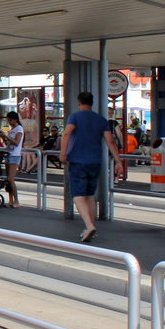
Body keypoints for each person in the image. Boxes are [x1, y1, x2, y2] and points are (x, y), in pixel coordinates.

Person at [60, 91, 121, 243]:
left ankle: (88, 226)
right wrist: (118, 161)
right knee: (90, 195)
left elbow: (66, 134)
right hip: (95, 161)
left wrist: (63, 154)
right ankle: (90, 226)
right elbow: (110, 141)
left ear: (79, 102)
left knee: (78, 195)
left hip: (77, 160)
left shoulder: (75, 117)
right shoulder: (101, 120)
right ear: (92, 102)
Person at [1, 111, 23, 207]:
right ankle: (10, 200)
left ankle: (16, 201)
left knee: (11, 178)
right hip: (9, 153)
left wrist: (6, 136)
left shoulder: (19, 129)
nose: (9, 122)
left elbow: (17, 143)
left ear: (15, 119)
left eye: (10, 120)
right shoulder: (12, 129)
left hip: (15, 154)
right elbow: (9, 144)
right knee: (8, 179)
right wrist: (4, 138)